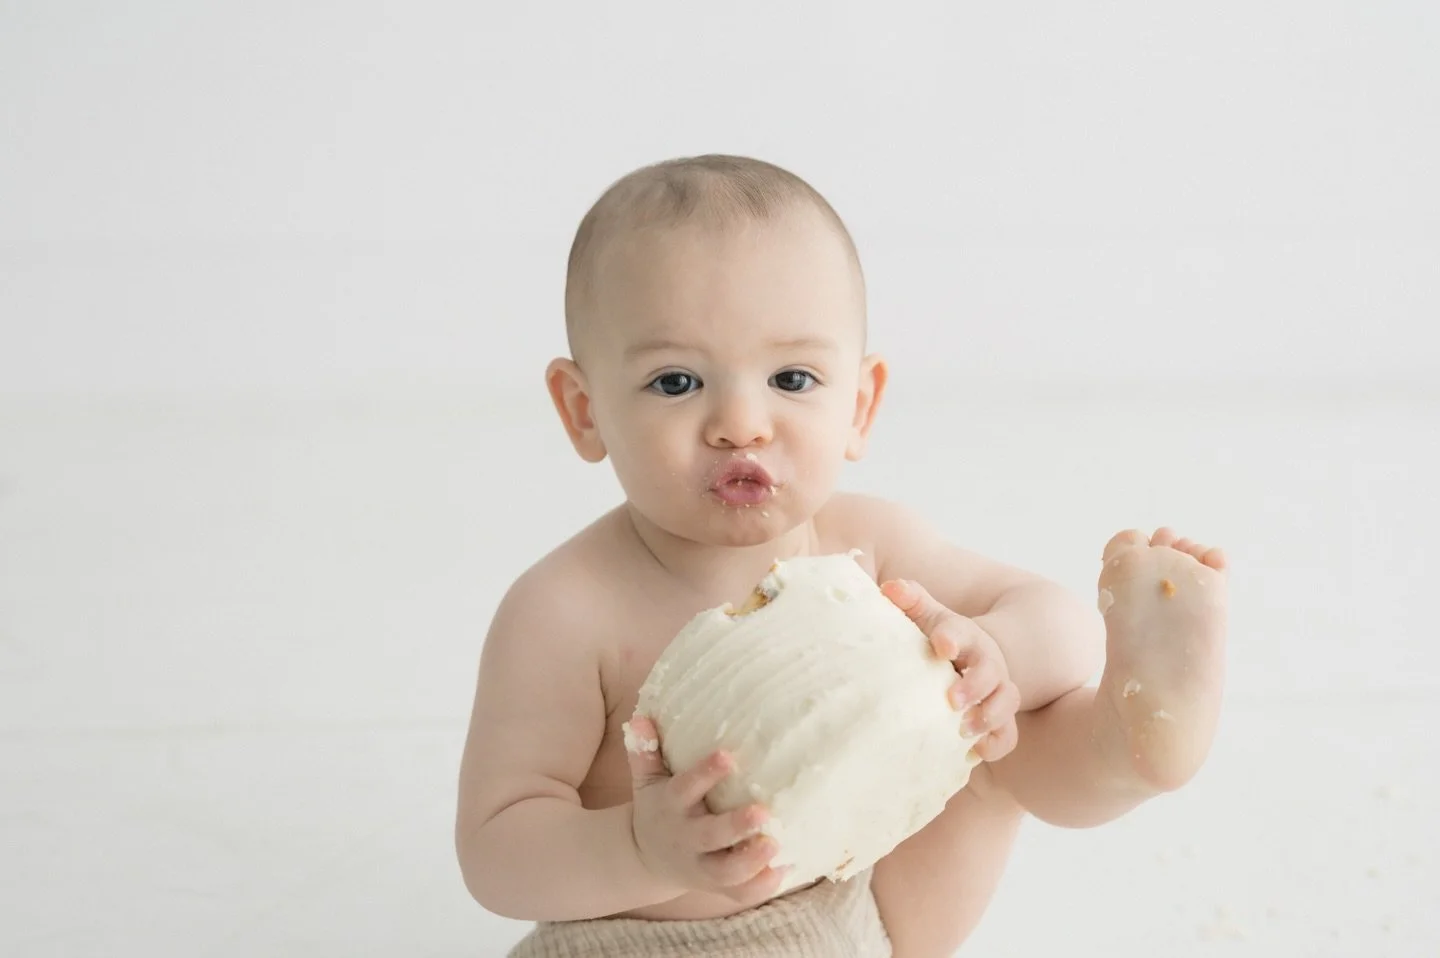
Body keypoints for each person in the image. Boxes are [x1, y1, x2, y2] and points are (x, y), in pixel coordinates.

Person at [455, 154, 1229, 957]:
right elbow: (495, 852)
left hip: (851, 922)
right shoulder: (567, 609)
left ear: (858, 406)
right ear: (584, 411)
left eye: (792, 377)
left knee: (983, 717)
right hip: (636, 941)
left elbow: (1047, 616)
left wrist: (997, 655)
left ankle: (1127, 743)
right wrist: (638, 850)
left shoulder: (868, 546)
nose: (742, 422)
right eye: (677, 382)